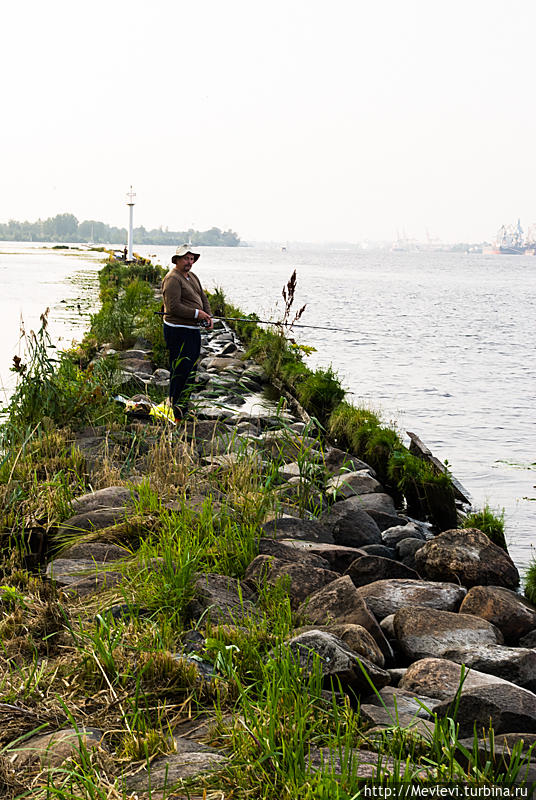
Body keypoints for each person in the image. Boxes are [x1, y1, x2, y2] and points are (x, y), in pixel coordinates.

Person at [161, 244, 213, 421]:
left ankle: (183, 406)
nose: (189, 262)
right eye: (186, 258)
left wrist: (208, 315)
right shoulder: (172, 279)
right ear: (177, 260)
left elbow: (203, 297)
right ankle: (175, 408)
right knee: (180, 368)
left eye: (191, 259)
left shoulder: (192, 276)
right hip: (177, 330)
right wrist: (198, 314)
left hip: (192, 330)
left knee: (191, 369)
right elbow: (174, 307)